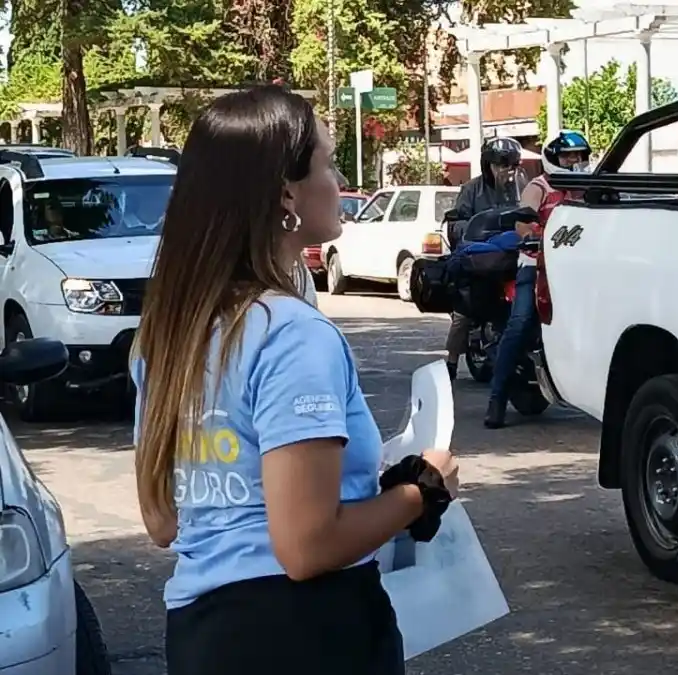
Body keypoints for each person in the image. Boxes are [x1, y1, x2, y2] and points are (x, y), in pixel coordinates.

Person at [130, 85, 460, 675]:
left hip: (201, 634)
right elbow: (306, 547)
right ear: (287, 192)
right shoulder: (291, 333)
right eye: (329, 163)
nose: (340, 181)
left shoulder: (169, 332)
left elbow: (163, 521)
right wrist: (422, 491)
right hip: (308, 633)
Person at [484, 131, 590, 429]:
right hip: (536, 265)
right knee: (519, 324)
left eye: (578, 155)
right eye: (568, 156)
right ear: (554, 158)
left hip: (575, 268)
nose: (574, 160)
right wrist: (533, 234)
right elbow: (523, 222)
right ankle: (497, 399)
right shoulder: (538, 186)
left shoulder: (585, 189)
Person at [443, 136, 523, 379]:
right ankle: (451, 362)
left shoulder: (521, 187)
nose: (508, 171)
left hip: (511, 257)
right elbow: (457, 222)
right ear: (488, 165)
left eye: (512, 165)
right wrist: (475, 234)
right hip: (479, 260)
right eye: (502, 165)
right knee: (463, 314)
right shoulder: (472, 189)